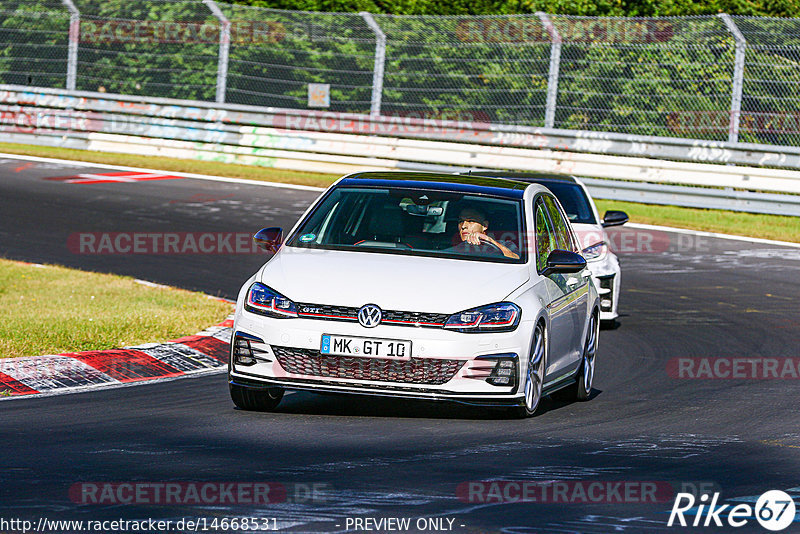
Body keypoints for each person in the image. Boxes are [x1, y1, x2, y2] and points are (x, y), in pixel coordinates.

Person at [454, 207, 519, 259]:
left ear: (485, 226)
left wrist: (489, 240)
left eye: (471, 221)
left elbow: (515, 258)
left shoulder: (506, 244)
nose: (463, 226)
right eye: (461, 221)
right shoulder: (450, 245)